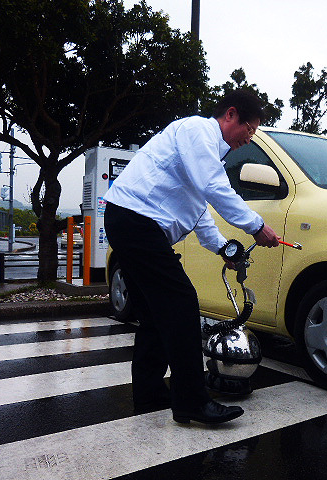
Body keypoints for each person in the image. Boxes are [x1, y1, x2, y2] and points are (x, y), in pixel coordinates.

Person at [103, 90, 280, 425]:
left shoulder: (204, 152)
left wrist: (224, 249)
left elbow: (199, 211)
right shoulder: (197, 131)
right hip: (136, 221)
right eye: (250, 128)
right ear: (231, 115)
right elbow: (215, 187)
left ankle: (150, 392)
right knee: (182, 302)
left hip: (131, 222)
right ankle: (192, 402)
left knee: (156, 315)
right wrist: (257, 226)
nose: (250, 137)